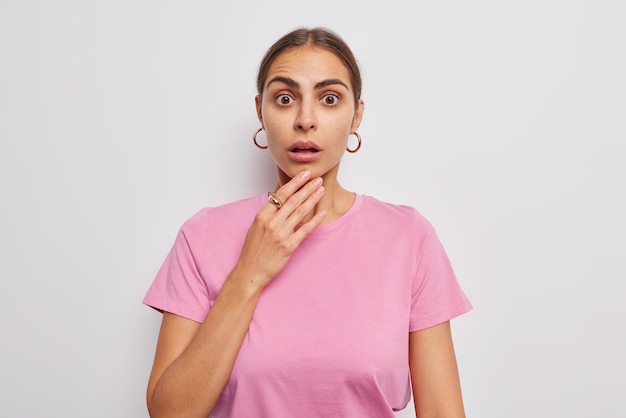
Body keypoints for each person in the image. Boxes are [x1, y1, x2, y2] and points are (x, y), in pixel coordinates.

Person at [143, 26, 472, 418]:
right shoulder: (203, 236)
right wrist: (249, 272)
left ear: (356, 116)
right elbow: (169, 413)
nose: (305, 119)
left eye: (329, 98)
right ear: (260, 112)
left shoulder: (409, 238)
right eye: (285, 98)